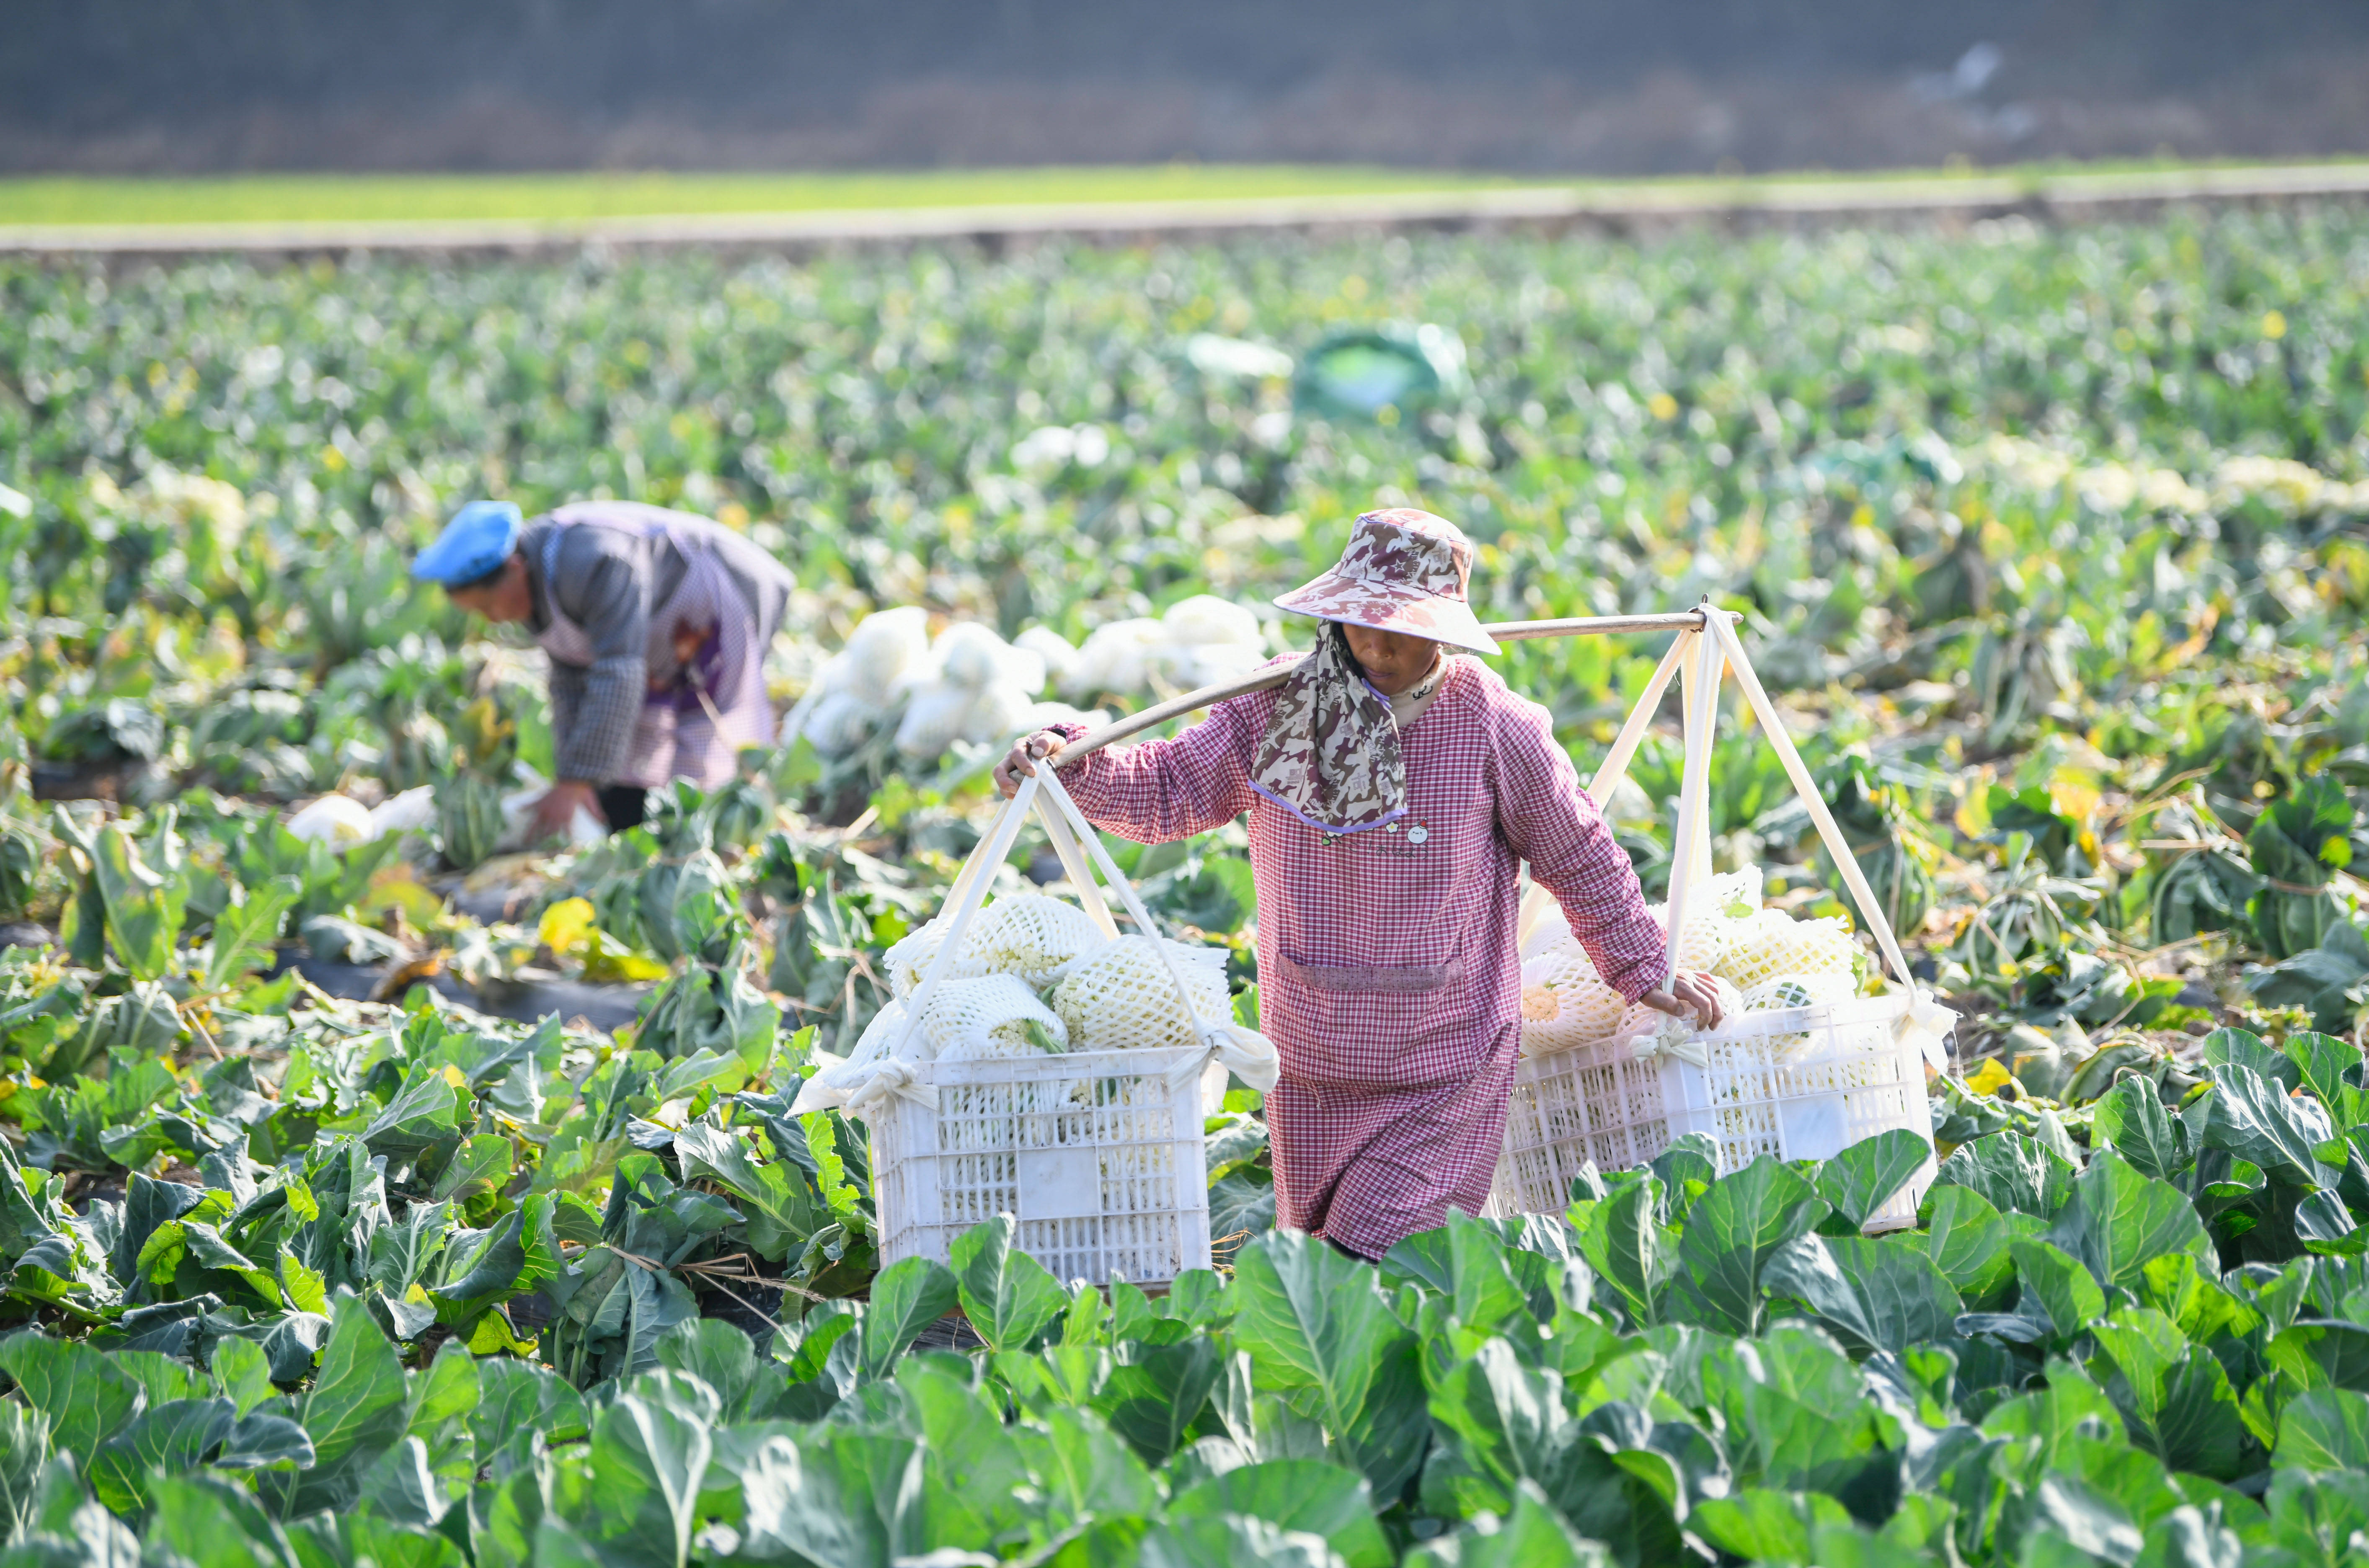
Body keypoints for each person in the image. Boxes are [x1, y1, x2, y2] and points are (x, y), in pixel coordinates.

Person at [996, 507, 1722, 1259]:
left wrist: (1643, 964)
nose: (1376, 646)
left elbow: (1578, 850)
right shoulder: (1276, 710)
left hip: (1443, 1065)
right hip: (1308, 1059)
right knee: (1316, 1276)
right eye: (1357, 623)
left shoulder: (1492, 725)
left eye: (1403, 629)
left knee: (1376, 1266)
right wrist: (1071, 761)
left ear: (1444, 630)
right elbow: (1169, 790)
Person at [411, 498, 794, 837]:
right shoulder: (531, 584)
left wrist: (577, 780)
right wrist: (573, 776)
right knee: (630, 731)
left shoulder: (595, 563)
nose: (492, 620)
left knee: (704, 725)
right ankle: (635, 831)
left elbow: (617, 674)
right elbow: (570, 679)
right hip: (660, 623)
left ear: (514, 567)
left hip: (719, 592)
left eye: (487, 607)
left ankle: (715, 838)